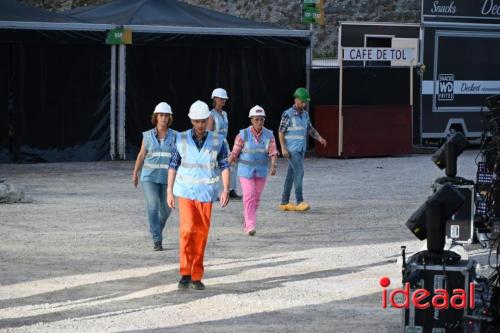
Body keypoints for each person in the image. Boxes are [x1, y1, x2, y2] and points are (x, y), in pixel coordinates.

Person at [167, 100, 230, 291]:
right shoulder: (180, 139)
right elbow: (173, 165)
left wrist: (226, 189)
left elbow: (225, 166)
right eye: (196, 121)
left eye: (203, 121)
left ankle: (196, 275)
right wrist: (169, 190)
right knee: (187, 231)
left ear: (208, 120)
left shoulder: (219, 141)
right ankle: (185, 273)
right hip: (185, 192)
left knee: (201, 234)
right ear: (191, 121)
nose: (200, 125)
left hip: (205, 194)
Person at [132, 102, 177, 251]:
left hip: (167, 179)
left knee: (166, 210)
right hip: (149, 177)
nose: (164, 118)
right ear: (156, 117)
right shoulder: (147, 136)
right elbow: (141, 155)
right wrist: (135, 173)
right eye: (161, 115)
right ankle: (157, 239)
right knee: (153, 205)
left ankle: (155, 229)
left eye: (166, 115)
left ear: (169, 118)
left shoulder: (176, 136)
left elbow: (180, 157)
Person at [228, 105, 278, 236]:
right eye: (257, 119)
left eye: (262, 119)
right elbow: (235, 152)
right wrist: (227, 164)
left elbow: (273, 152)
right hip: (245, 171)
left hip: (261, 172)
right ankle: (250, 225)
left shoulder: (269, 135)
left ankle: (248, 220)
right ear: (251, 120)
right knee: (249, 195)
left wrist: (273, 166)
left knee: (256, 198)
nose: (259, 122)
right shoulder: (242, 135)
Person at [278, 87, 327, 212]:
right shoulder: (287, 114)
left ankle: (284, 201)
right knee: (300, 172)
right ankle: (299, 201)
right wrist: (283, 148)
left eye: (306, 102)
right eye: (303, 101)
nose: (304, 104)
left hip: (301, 150)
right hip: (291, 150)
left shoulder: (305, 115)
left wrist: (320, 138)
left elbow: (310, 129)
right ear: (297, 100)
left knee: (291, 174)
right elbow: (281, 132)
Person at [207, 88, 242, 199]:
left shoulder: (224, 114)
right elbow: (208, 133)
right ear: (215, 99)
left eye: (224, 99)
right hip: (214, 145)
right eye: (221, 99)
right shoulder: (211, 115)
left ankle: (231, 190)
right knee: (215, 168)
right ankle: (214, 193)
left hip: (224, 144)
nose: (223, 101)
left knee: (231, 165)